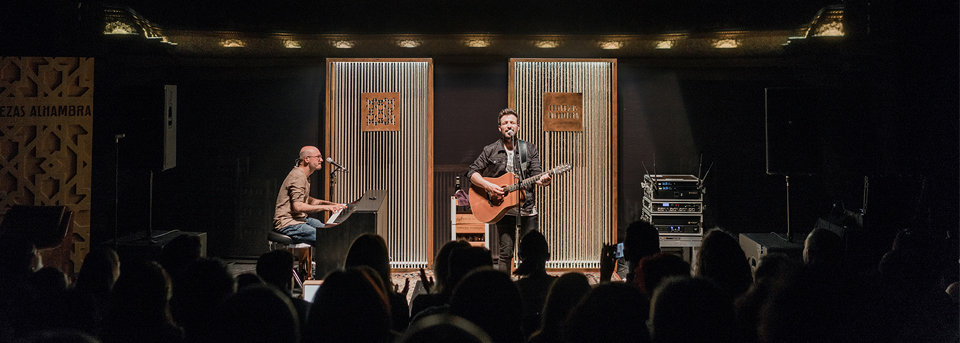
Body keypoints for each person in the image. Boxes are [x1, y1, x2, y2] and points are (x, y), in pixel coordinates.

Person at [467, 108, 552, 273]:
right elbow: (472, 172)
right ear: (499, 128)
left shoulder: (529, 149)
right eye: (505, 123)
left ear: (518, 127)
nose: (509, 126)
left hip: (526, 208)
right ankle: (504, 289)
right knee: (506, 252)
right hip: (503, 210)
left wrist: (544, 180)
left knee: (530, 253)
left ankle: (529, 289)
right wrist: (489, 186)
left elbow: (536, 174)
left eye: (512, 122)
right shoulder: (490, 150)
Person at [273, 145, 347, 244]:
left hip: (300, 219)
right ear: (307, 159)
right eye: (318, 157)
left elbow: (308, 200)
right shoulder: (298, 176)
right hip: (288, 223)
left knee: (328, 230)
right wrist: (327, 208)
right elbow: (298, 207)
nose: (321, 160)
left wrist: (332, 204)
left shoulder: (304, 175)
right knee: (327, 238)